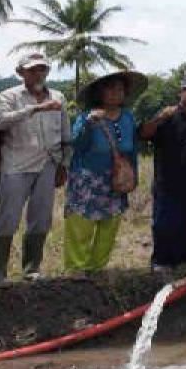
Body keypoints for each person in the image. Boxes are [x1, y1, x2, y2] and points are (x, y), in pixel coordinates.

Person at [0, 53, 72, 284]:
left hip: (48, 164)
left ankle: (31, 269)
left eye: (42, 70)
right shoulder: (10, 96)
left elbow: (65, 133)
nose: (37, 74)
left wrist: (63, 164)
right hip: (16, 164)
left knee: (41, 217)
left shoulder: (58, 97)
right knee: (8, 217)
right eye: (32, 70)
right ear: (21, 73)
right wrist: (34, 109)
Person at [65, 70, 146, 272]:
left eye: (119, 89)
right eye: (110, 88)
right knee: (81, 228)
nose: (115, 93)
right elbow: (76, 144)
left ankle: (96, 271)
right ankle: (75, 273)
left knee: (108, 230)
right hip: (87, 182)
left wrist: (133, 176)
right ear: (99, 93)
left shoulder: (127, 118)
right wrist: (88, 123)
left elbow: (132, 149)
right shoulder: (86, 117)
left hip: (116, 182)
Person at [139, 76, 186, 276]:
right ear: (181, 92)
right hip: (168, 184)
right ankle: (161, 264)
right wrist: (159, 118)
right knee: (165, 226)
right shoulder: (167, 116)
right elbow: (144, 134)